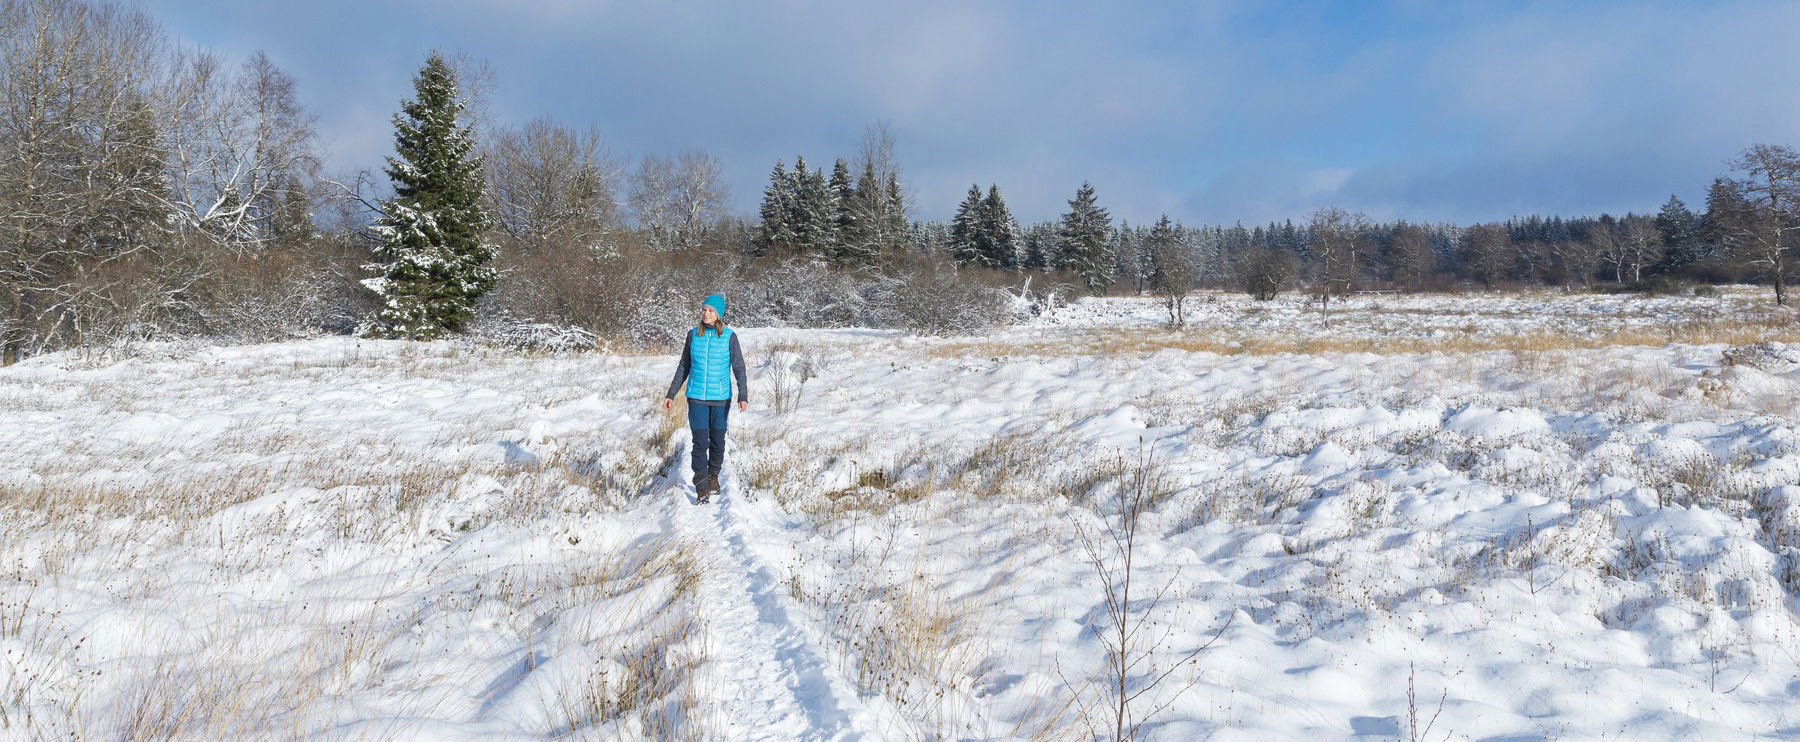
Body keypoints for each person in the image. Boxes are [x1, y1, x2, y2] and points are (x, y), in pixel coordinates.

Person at [663, 294, 748, 503]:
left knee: (718, 441)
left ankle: (713, 476)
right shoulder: (693, 335)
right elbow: (684, 366)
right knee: (700, 442)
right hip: (696, 398)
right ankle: (701, 486)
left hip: (720, 399)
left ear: (718, 314)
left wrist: (743, 395)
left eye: (710, 310)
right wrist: (671, 394)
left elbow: (739, 367)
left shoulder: (729, 337)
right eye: (703, 309)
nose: (705, 313)